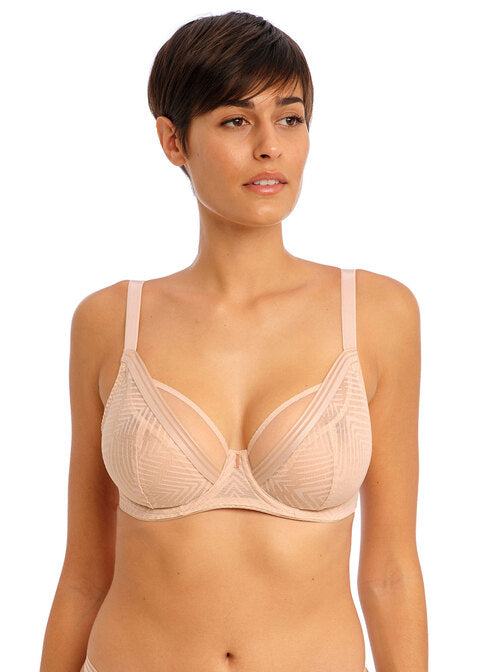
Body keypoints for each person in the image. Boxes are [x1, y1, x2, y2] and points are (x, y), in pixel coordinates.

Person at [39, 10, 428, 672]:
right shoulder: (110, 322)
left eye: (290, 118)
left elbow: (390, 571)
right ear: (173, 141)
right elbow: (83, 572)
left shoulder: (376, 314)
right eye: (235, 121)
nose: (270, 146)